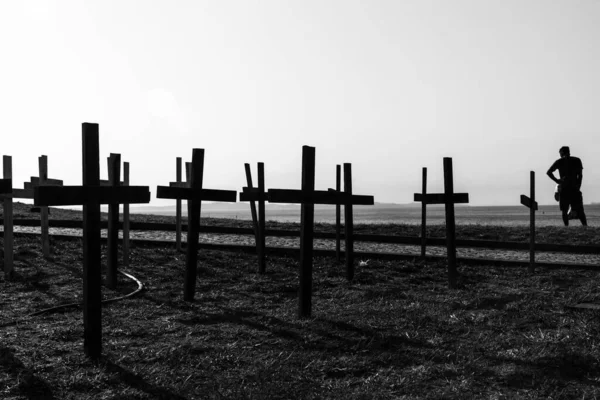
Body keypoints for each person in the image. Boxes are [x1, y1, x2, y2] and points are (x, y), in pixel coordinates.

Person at [547, 146, 587, 226]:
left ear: (562, 153)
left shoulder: (560, 161)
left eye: (560, 153)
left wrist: (557, 180)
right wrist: (578, 186)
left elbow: (549, 172)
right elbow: (580, 176)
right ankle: (585, 226)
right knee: (579, 210)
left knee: (565, 211)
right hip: (573, 188)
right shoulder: (577, 160)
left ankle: (566, 226)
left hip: (565, 189)